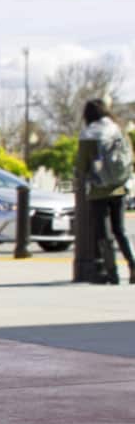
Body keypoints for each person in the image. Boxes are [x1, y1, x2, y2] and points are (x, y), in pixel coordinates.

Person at [79, 99, 135, 285]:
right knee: (120, 231)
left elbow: (81, 165)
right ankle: (133, 266)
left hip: (99, 190)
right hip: (119, 187)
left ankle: (112, 273)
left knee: (104, 234)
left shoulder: (88, 134)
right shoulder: (117, 130)